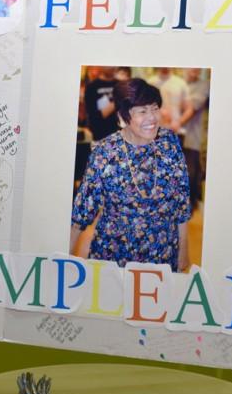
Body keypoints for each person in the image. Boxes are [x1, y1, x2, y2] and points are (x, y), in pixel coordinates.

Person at [71, 78, 191, 271]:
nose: (152, 118)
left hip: (162, 256)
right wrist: (65, 258)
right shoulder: (105, 152)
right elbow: (82, 211)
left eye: (154, 108)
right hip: (113, 257)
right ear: (121, 118)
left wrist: (184, 251)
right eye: (142, 111)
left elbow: (182, 202)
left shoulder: (169, 144)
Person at [182, 68, 209, 210]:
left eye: (197, 69)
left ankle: (190, 207)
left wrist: (176, 123)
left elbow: (191, 107)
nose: (193, 71)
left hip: (192, 137)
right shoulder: (179, 83)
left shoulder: (204, 85)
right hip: (175, 137)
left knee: (191, 172)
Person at [148, 67, 192, 134]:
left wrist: (179, 122)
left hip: (175, 131)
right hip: (154, 131)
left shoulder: (180, 83)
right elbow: (143, 106)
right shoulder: (150, 83)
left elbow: (189, 109)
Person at [84, 65, 119, 142]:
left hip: (119, 132)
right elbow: (93, 116)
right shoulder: (92, 87)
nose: (111, 67)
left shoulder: (120, 84)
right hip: (100, 135)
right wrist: (115, 102)